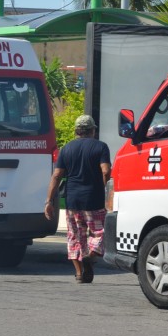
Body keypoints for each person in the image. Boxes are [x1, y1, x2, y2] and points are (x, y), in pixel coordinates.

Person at [44, 114, 111, 283]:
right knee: (99, 232)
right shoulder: (100, 147)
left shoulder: (66, 148)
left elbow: (57, 175)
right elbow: (106, 171)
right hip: (93, 199)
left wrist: (49, 201)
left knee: (75, 236)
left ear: (76, 131)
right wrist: (102, 187)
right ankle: (91, 254)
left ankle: (80, 273)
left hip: (72, 200)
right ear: (93, 131)